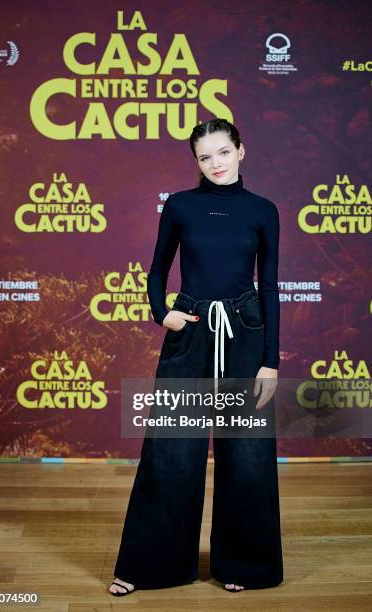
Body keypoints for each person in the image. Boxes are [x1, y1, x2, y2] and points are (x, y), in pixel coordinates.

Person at [109, 118, 283, 596]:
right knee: (171, 450)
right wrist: (161, 313)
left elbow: (268, 286)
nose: (216, 164)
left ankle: (243, 565)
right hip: (191, 329)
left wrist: (271, 360)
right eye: (205, 157)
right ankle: (151, 566)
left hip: (246, 332)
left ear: (241, 151)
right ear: (196, 162)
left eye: (223, 152)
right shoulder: (182, 206)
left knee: (246, 454)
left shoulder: (263, 211)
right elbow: (156, 269)